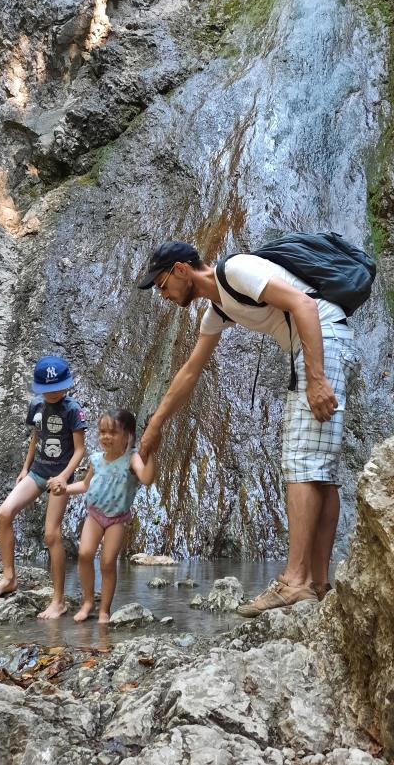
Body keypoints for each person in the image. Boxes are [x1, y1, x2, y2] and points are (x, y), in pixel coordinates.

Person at [137, 241, 360, 615]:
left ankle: (294, 582)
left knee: (301, 463)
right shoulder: (220, 306)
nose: (162, 295)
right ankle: (318, 583)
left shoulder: (236, 269)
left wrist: (317, 378)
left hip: (321, 344)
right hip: (325, 342)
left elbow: (304, 304)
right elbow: (190, 371)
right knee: (319, 471)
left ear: (180, 270)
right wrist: (155, 425)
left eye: (161, 285)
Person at [0, 355, 87, 618]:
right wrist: (25, 468)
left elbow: (80, 450)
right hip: (37, 471)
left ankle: (58, 601)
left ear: (66, 386)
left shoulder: (72, 410)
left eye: (57, 388)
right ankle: (9, 577)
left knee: (51, 534)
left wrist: (65, 477)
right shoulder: (36, 404)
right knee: (3, 514)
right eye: (47, 390)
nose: (52, 394)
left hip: (60, 475)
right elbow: (37, 437)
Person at [54, 408, 156, 624]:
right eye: (102, 432)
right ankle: (88, 602)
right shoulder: (97, 459)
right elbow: (84, 484)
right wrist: (65, 488)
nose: (106, 437)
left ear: (127, 435)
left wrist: (152, 454)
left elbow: (146, 479)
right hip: (95, 514)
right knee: (84, 554)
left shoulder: (132, 458)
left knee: (108, 562)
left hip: (117, 519)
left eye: (113, 432)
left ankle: (104, 610)